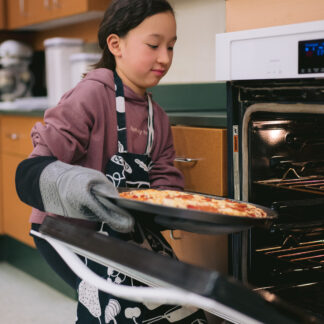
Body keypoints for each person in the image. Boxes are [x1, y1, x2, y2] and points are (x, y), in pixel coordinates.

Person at [15, 0, 208, 323]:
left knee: (177, 304)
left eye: (171, 47)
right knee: (115, 307)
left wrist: (181, 208)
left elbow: (163, 179)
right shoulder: (91, 95)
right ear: (116, 44)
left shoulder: (156, 117)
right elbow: (42, 160)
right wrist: (73, 184)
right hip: (66, 232)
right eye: (153, 45)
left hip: (124, 235)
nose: (165, 57)